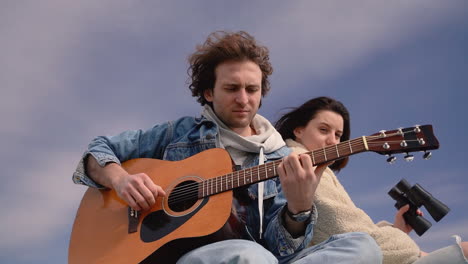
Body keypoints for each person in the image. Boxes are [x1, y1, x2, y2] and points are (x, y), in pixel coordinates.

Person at [72, 32, 382, 263]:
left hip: (256, 258)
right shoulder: (179, 133)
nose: (244, 99)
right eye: (232, 89)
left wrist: (298, 209)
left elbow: (279, 249)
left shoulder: (279, 157)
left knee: (362, 247)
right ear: (208, 92)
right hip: (195, 258)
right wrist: (121, 180)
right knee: (250, 256)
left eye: (252, 89)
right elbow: (98, 150)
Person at [275, 96, 468, 264]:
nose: (333, 141)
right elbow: (342, 231)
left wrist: (397, 230)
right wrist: (413, 251)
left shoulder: (316, 168)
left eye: (338, 135)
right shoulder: (299, 164)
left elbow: (346, 231)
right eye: (324, 130)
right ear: (298, 130)